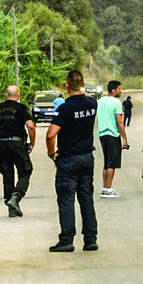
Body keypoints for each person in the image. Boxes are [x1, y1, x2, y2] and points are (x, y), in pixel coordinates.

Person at [46, 70, 98, 252]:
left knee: (66, 199)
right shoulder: (92, 103)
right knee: (86, 198)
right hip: (87, 157)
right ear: (83, 84)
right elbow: (87, 95)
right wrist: (83, 92)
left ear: (67, 85)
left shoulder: (64, 108)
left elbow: (51, 134)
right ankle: (90, 239)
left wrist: (51, 153)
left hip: (68, 158)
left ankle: (67, 240)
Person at [0, 86, 36, 217]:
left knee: (7, 173)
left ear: (5, 94)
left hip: (2, 144)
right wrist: (32, 142)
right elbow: (30, 126)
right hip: (18, 144)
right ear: (18, 95)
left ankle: (11, 206)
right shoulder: (22, 108)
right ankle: (16, 196)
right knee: (25, 170)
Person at [97, 80, 128, 198]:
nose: (121, 91)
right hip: (113, 134)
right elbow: (119, 122)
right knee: (112, 163)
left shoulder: (99, 101)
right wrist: (125, 138)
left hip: (102, 134)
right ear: (114, 90)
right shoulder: (116, 102)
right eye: (120, 89)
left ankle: (105, 187)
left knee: (106, 162)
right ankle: (108, 189)